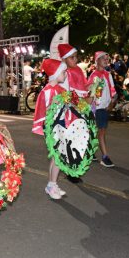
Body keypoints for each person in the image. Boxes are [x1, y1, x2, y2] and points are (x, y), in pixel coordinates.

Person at [32, 58, 68, 199]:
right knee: (58, 157)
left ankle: (51, 185)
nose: (65, 74)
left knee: (56, 157)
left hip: (61, 127)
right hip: (52, 129)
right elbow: (41, 112)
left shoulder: (62, 90)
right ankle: (52, 184)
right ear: (56, 73)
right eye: (63, 72)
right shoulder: (46, 92)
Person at [58, 43, 90, 183]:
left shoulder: (77, 70)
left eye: (76, 57)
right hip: (69, 111)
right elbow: (64, 94)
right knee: (70, 142)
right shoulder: (64, 72)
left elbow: (83, 86)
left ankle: (73, 169)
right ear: (64, 59)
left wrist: (94, 85)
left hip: (80, 109)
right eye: (72, 57)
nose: (75, 60)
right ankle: (70, 171)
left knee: (79, 141)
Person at [88, 51, 116, 167]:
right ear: (97, 60)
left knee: (96, 130)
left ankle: (90, 151)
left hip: (105, 107)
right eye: (103, 58)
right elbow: (92, 93)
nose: (106, 60)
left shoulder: (108, 74)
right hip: (97, 108)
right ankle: (105, 157)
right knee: (101, 131)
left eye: (107, 58)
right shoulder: (94, 76)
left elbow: (112, 90)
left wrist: (112, 102)